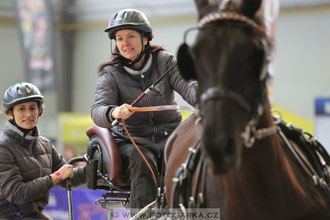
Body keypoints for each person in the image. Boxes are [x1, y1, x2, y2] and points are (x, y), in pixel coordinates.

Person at [91, 9, 198, 210]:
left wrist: (205, 98)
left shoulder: (166, 62)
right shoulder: (110, 73)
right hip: (133, 141)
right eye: (120, 38)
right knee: (142, 161)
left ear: (145, 39)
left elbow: (189, 87)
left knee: (193, 155)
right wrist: (113, 112)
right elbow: (98, 110)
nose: (125, 43)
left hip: (170, 137)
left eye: (131, 36)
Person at [0, 82, 88, 219]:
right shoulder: (2, 147)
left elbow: (68, 177)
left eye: (32, 108)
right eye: (21, 109)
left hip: (32, 215)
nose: (28, 114)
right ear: (10, 113)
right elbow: (17, 193)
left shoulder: (45, 145)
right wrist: (56, 177)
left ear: (39, 111)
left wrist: (91, 169)